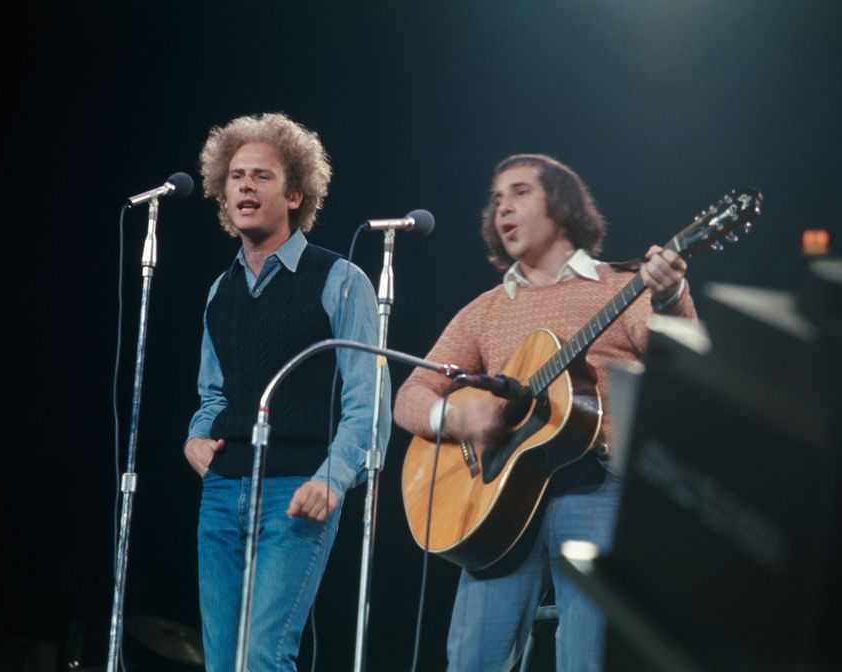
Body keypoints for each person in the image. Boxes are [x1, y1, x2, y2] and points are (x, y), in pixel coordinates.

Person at [393, 153, 696, 671]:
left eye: (519, 192)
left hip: (598, 483)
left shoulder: (622, 286)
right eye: (495, 199)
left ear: (561, 205)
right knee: (471, 661)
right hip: (498, 501)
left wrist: (672, 296)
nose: (501, 208)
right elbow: (411, 395)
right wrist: (459, 418)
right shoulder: (486, 309)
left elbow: (685, 365)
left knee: (589, 659)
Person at [184, 112, 389, 672]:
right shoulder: (218, 292)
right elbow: (212, 394)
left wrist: (333, 478)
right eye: (236, 176)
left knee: (263, 658)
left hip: (296, 493)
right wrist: (196, 438)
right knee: (223, 664)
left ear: (296, 193)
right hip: (223, 495)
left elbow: (367, 404)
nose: (245, 186)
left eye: (262, 176)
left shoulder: (341, 279)